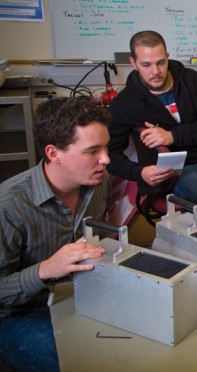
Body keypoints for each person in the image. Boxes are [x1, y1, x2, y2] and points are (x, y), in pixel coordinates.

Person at [0, 97, 112, 371]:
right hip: (22, 313)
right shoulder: (9, 206)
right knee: (73, 364)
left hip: (82, 294)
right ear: (53, 153)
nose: (106, 159)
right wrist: (45, 270)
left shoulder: (99, 183)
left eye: (106, 147)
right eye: (92, 151)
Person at [107, 30, 197, 219]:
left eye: (160, 62)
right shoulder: (125, 103)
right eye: (146, 65)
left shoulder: (192, 80)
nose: (156, 71)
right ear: (133, 63)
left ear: (167, 57)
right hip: (173, 175)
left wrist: (171, 136)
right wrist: (140, 172)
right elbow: (110, 155)